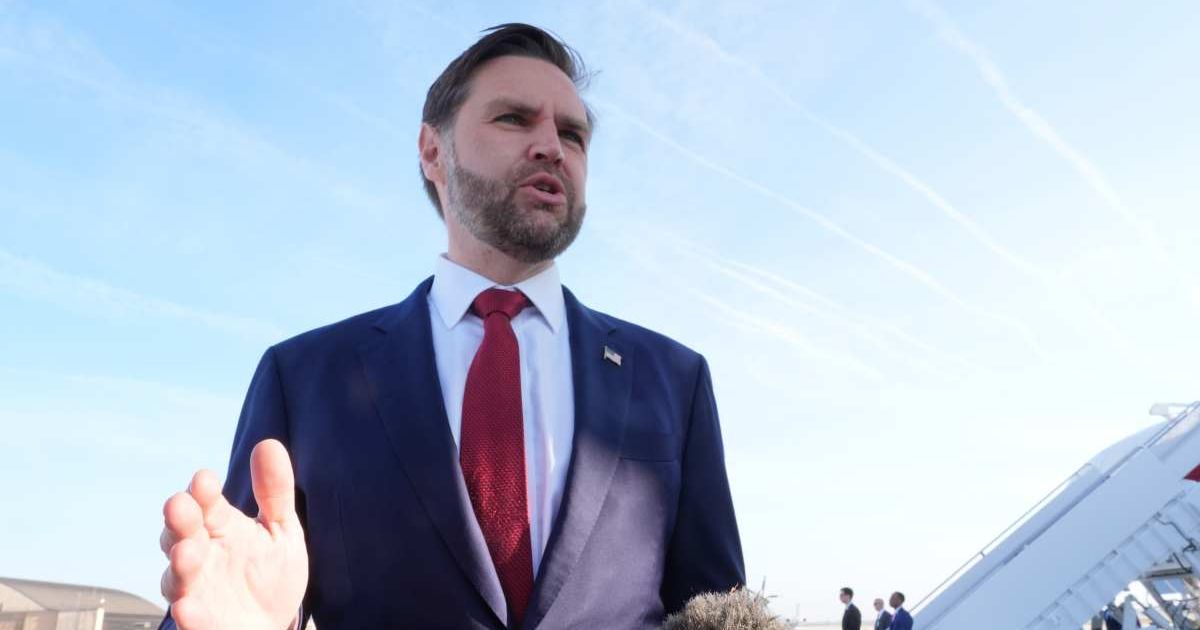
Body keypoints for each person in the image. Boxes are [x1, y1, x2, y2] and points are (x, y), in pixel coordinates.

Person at [155, 23, 744, 630]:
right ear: (433, 152)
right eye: (515, 119)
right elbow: (231, 589)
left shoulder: (675, 381)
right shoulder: (305, 377)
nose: (552, 147)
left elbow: (718, 612)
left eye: (573, 133)